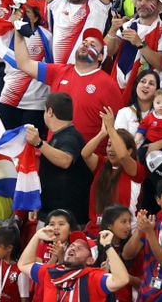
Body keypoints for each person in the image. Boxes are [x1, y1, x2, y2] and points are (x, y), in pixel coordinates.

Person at [24, 92, 95, 226]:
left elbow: (65, 160)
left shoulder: (71, 137)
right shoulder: (59, 137)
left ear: (50, 112)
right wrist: (37, 204)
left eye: (44, 110)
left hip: (67, 221)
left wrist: (39, 143)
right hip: (51, 214)